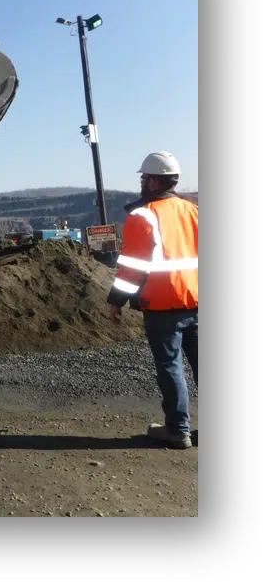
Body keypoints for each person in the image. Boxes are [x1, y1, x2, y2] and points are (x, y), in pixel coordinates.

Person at [107, 151, 198, 449]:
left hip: (163, 304)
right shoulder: (193, 210)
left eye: (144, 178)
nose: (142, 183)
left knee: (171, 366)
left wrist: (116, 301)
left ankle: (177, 430)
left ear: (154, 182)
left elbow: (133, 267)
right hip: (197, 299)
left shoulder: (142, 216)